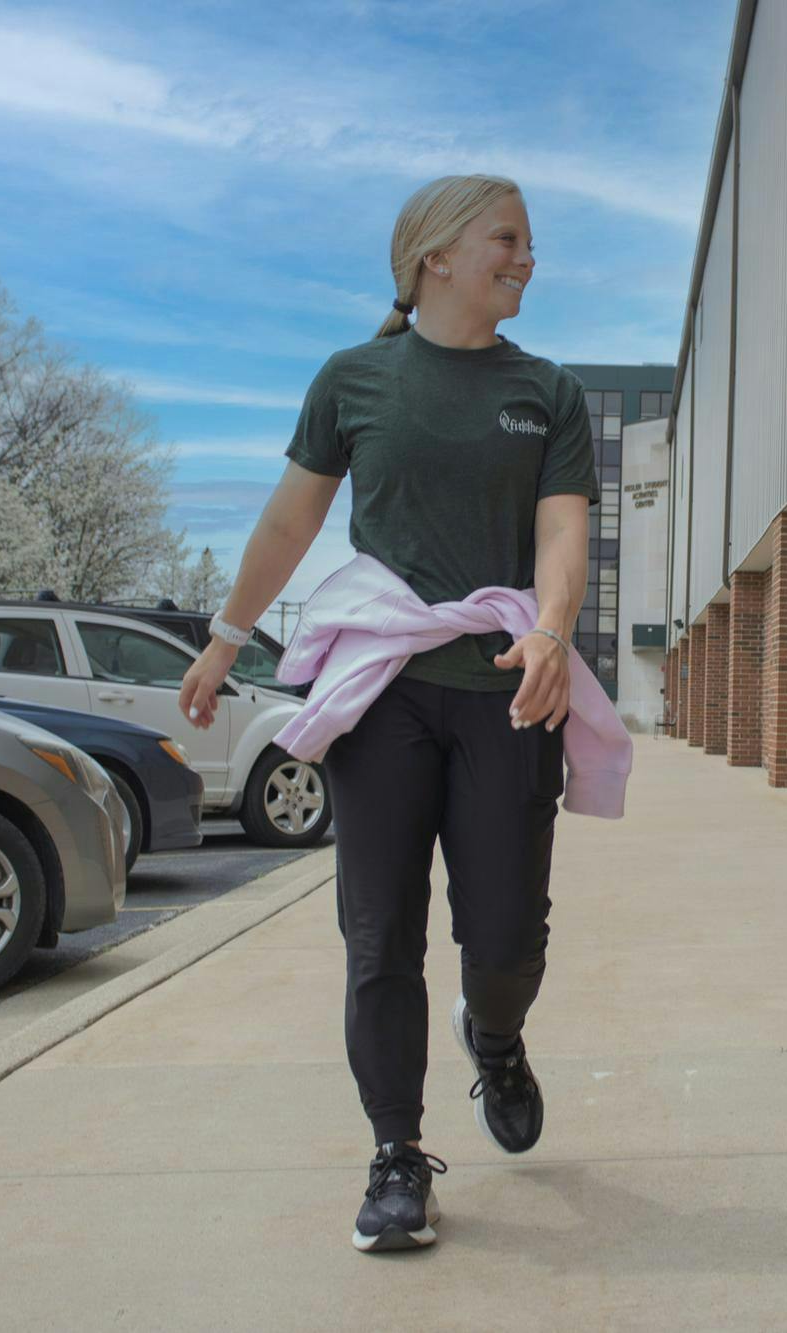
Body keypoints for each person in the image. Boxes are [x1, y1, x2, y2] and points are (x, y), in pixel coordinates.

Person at [177, 174, 604, 1254]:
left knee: (504, 932)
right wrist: (228, 633)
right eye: (507, 239)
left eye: (527, 241)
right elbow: (291, 516)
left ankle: (495, 1038)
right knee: (379, 935)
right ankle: (396, 1154)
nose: (526, 257)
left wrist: (550, 632)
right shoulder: (354, 379)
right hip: (384, 689)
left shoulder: (546, 391)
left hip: (506, 689)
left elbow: (562, 534)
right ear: (437, 257)